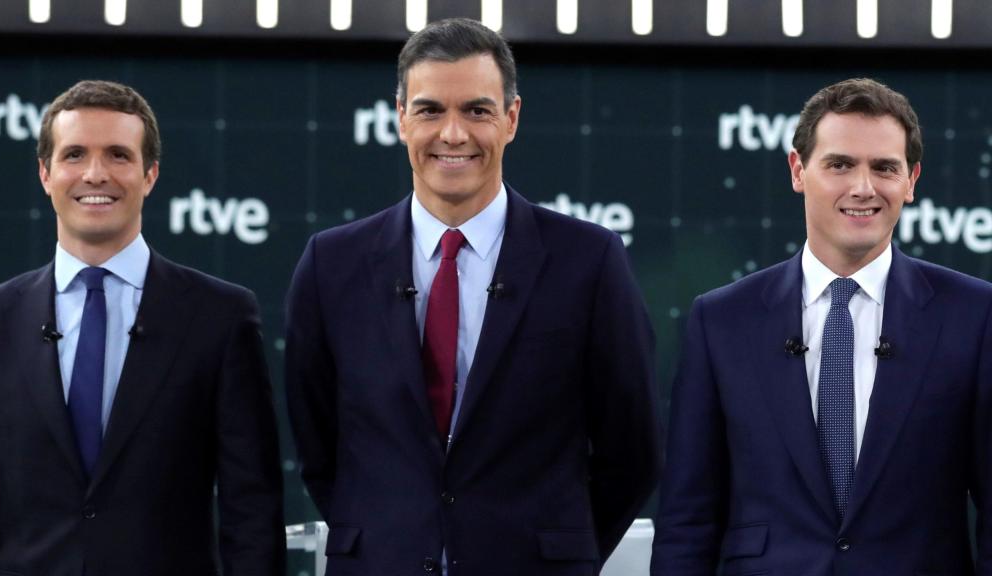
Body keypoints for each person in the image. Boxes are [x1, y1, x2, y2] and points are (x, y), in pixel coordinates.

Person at [285, 17, 660, 575]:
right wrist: (390, 538)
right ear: (400, 119)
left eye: (477, 110)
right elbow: (319, 445)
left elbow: (631, 450)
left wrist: (556, 551)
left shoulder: (589, 260)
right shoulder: (331, 264)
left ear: (510, 119)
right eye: (431, 109)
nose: (453, 134)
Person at [651, 77, 992, 574]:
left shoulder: (975, 315)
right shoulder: (722, 321)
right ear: (798, 170)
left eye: (884, 168)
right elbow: (687, 518)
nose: (863, 187)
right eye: (839, 164)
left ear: (912, 180)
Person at [0, 80, 285, 575]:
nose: (96, 174)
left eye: (118, 155)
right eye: (74, 155)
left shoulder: (220, 317)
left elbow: (253, 509)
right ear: (45, 174)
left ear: (150, 174)